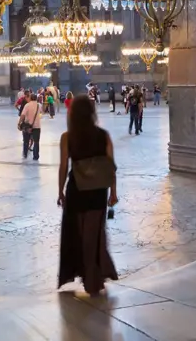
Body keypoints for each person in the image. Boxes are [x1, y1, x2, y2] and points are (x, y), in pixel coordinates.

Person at [58, 95, 119, 295]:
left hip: (77, 191)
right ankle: (94, 277)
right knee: (95, 235)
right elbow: (110, 167)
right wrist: (113, 192)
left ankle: (85, 274)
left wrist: (60, 190)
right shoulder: (103, 135)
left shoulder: (68, 137)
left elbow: (63, 166)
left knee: (77, 234)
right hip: (97, 193)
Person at [19, 94, 41, 160]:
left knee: (26, 141)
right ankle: (35, 156)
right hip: (37, 126)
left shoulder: (27, 105)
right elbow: (43, 112)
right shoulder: (39, 105)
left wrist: (19, 122)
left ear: (30, 98)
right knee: (36, 142)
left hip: (27, 126)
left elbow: (22, 115)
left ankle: (25, 154)